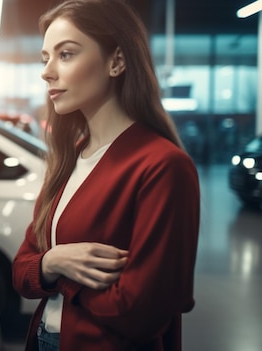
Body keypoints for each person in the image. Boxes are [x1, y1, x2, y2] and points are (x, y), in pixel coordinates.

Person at [11, 0, 201, 350]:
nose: (47, 71)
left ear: (117, 61)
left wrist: (61, 275)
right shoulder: (70, 158)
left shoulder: (162, 166)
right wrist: (53, 260)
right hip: (44, 339)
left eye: (65, 54)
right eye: (45, 58)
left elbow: (144, 311)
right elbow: (22, 271)